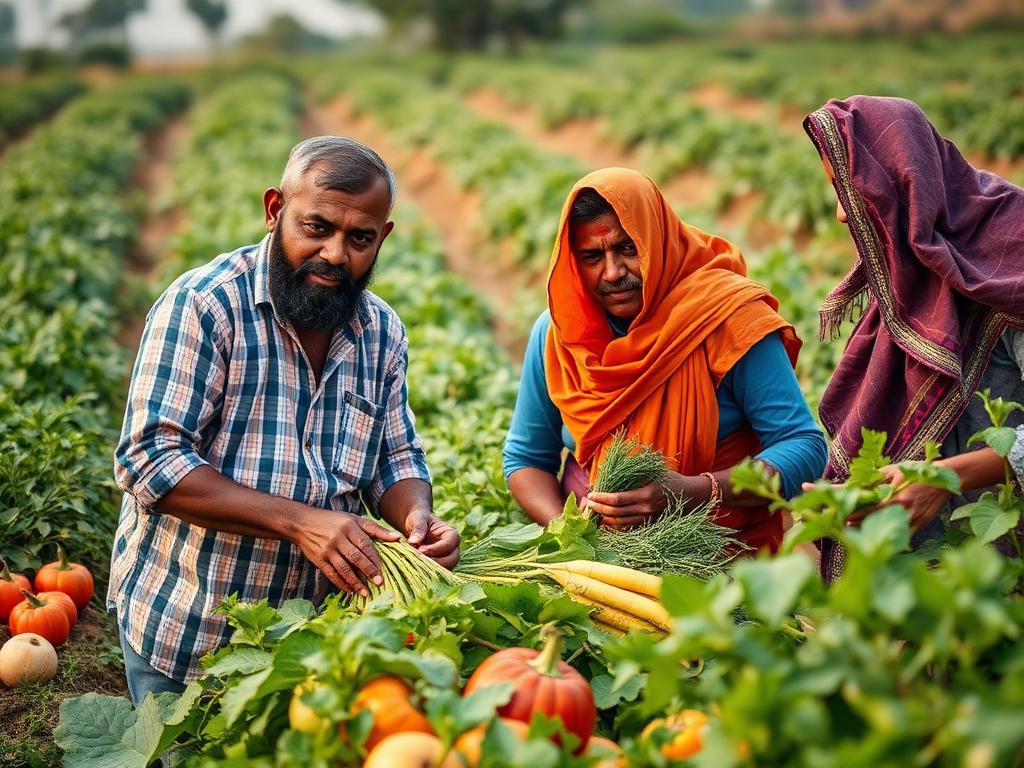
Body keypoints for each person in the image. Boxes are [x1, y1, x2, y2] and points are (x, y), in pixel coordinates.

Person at [109, 136, 460, 705]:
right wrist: (300, 522)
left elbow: (396, 458)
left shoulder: (382, 332)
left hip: (314, 643)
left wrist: (418, 516)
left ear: (383, 238)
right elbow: (150, 460)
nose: (336, 254)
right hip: (191, 633)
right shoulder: (204, 306)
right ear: (275, 210)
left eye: (360, 238)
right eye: (316, 227)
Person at [502, 167, 828, 552]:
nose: (613, 272)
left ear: (656, 238)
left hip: (718, 559)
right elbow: (525, 459)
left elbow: (803, 446)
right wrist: (571, 533)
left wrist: (695, 491)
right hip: (597, 567)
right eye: (592, 256)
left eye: (627, 249)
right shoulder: (558, 335)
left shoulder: (726, 319)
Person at [803, 96, 1024, 576]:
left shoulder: (1011, 257)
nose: (843, 215)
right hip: (951, 572)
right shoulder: (914, 273)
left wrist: (944, 477)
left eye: (849, 190)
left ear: (901, 179)